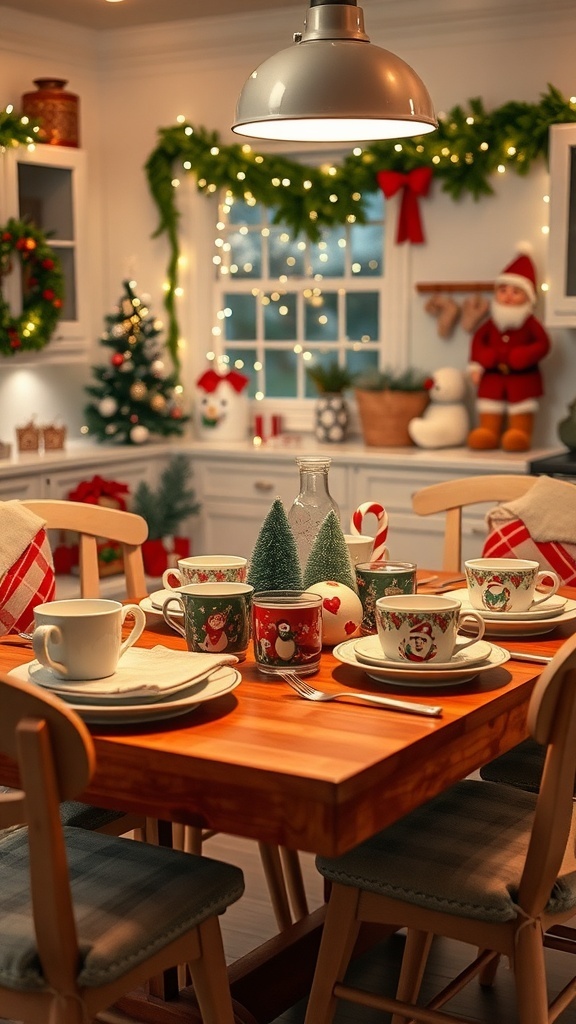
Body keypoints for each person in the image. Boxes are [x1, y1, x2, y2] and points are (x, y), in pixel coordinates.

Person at [467, 248, 551, 451]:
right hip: (492, 379)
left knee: (521, 408)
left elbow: (543, 344)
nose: (508, 297)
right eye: (503, 291)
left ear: (528, 296)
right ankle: (488, 433)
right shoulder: (490, 323)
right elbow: (478, 343)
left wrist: (523, 355)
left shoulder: (530, 323)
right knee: (489, 406)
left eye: (516, 292)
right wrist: (478, 364)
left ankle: (519, 435)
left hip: (522, 380)